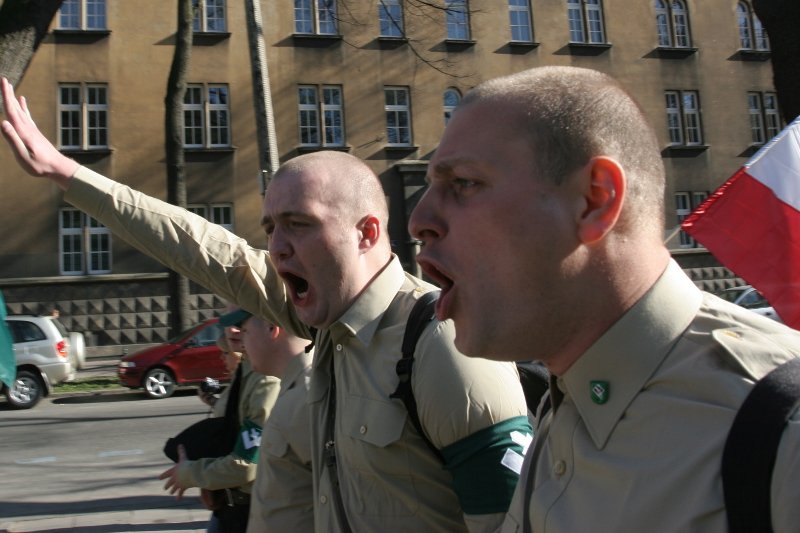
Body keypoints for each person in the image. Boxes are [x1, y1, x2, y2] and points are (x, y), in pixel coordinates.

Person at [1, 77, 531, 533]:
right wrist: (69, 175)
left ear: (367, 233)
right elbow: (200, 245)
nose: (277, 247)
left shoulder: (443, 340)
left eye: (299, 224)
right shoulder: (323, 323)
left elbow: (510, 519)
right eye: (271, 227)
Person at [407, 65, 800, 531]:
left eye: (464, 183)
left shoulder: (782, 429)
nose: (419, 219)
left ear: (595, 200)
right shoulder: (561, 405)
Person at [159, 307, 280, 533]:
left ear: (270, 327)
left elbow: (246, 464)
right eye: (229, 323)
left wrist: (192, 474)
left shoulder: (265, 378)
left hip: (251, 508)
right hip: (230, 502)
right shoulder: (246, 367)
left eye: (242, 323)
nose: (235, 330)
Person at [228, 309, 315, 533]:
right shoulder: (292, 388)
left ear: (271, 327)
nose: (241, 340)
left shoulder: (306, 396)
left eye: (245, 330)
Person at [198, 334, 243, 413]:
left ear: (237, 354)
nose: (221, 357)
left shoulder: (246, 379)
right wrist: (212, 401)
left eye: (225, 352)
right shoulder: (238, 377)